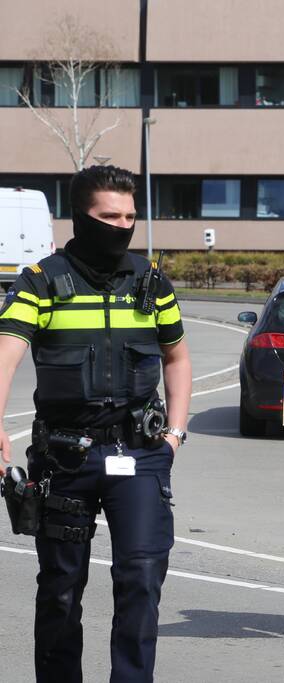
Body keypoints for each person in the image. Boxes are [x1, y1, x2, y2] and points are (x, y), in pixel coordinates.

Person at [0, 165, 192, 682]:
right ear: (81, 218)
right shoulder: (42, 281)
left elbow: (176, 357)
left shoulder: (151, 282)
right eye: (109, 216)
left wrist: (174, 433)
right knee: (61, 588)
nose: (122, 226)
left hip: (141, 453)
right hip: (64, 458)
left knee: (142, 578)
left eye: (130, 216)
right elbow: (7, 351)